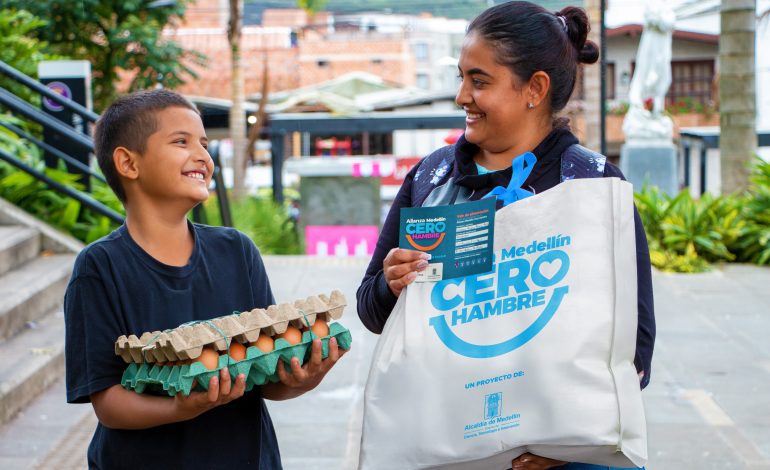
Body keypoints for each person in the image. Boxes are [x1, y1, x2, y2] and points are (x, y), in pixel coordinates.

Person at [355, 2, 655, 469]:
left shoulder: (592, 186)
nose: (461, 96)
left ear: (535, 88)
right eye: (461, 78)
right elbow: (371, 312)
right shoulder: (432, 180)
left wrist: (563, 440)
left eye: (479, 81)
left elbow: (633, 344)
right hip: (446, 447)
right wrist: (389, 283)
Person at [64, 89, 346, 469]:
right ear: (128, 164)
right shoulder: (100, 267)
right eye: (181, 142)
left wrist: (303, 377)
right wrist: (181, 408)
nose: (202, 156)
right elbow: (108, 403)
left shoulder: (236, 251)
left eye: (205, 144)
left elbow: (262, 375)